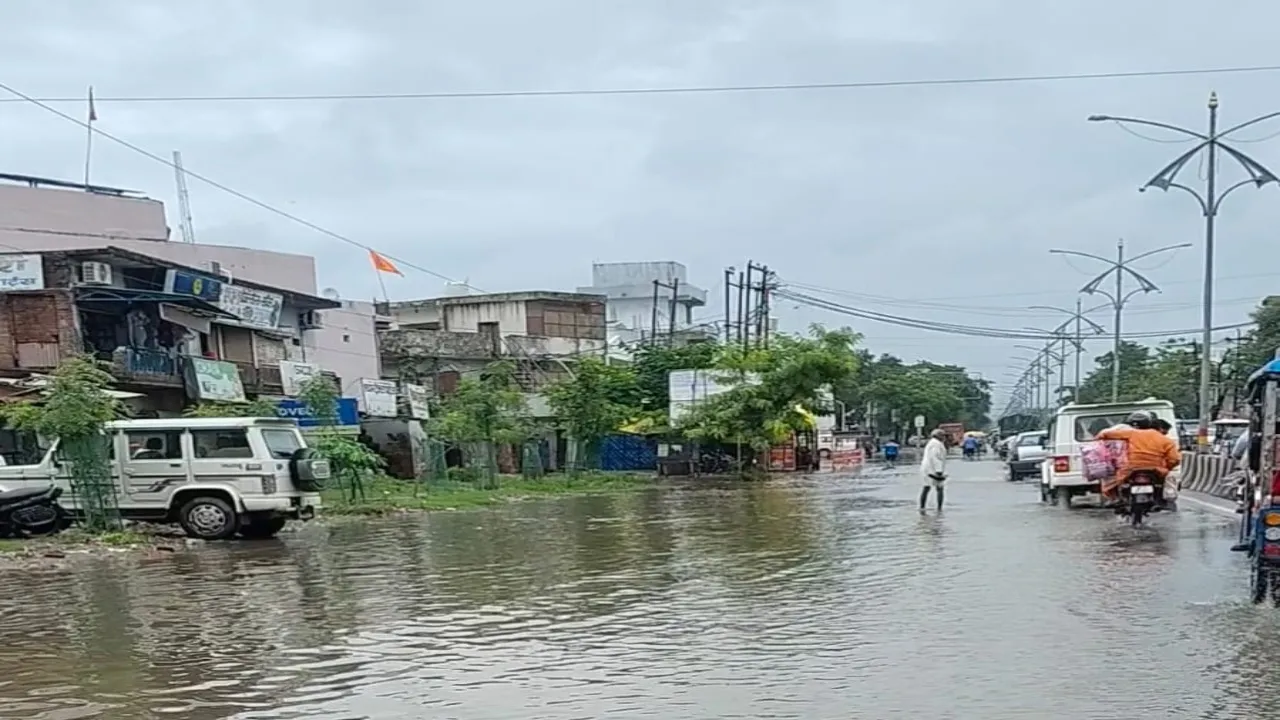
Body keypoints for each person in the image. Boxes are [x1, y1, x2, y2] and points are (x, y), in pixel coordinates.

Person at [1095, 411, 1181, 508]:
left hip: (1130, 468)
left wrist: (1098, 439)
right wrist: (1167, 467)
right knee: (1164, 481)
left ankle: (1117, 499)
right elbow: (1175, 459)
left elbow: (1105, 435)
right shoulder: (1166, 440)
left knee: (1113, 481)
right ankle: (1161, 500)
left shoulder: (1131, 433)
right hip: (1155, 469)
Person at [920, 428, 948, 513]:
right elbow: (935, 457)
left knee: (927, 487)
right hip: (932, 469)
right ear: (939, 436)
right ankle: (939, 509)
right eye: (943, 435)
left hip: (928, 468)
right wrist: (938, 471)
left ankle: (922, 508)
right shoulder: (936, 444)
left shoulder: (934, 443)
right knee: (939, 488)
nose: (945, 437)